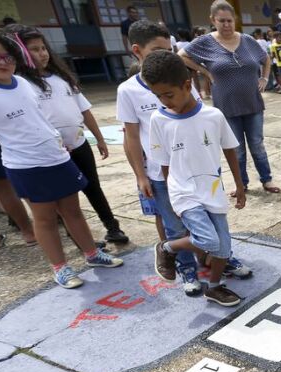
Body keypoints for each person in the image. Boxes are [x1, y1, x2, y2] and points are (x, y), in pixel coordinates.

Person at [0, 31, 122, 288]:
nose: (2, 61)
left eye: (6, 55)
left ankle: (92, 254)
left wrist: (55, 139)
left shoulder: (22, 83)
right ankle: (61, 268)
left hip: (57, 157)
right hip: (27, 166)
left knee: (73, 211)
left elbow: (40, 118)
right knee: (45, 219)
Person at [143, 50, 246, 307]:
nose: (164, 101)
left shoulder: (213, 115)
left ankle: (214, 287)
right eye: (158, 96)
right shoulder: (159, 120)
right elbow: (165, 165)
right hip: (184, 191)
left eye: (169, 94)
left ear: (187, 85)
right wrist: (171, 200)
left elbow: (230, 150)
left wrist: (240, 183)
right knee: (208, 240)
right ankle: (166, 248)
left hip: (212, 188)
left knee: (222, 247)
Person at [17, 25, 129, 244]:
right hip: (55, 152)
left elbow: (84, 109)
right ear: (22, 53)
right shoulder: (24, 85)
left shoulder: (62, 78)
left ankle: (112, 227)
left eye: (43, 48)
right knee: (67, 199)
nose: (42, 54)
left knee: (93, 187)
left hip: (79, 144)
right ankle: (80, 240)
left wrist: (98, 137)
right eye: (34, 49)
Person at [118, 19, 202, 294]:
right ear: (137, 51)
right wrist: (141, 176)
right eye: (157, 50)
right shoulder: (128, 90)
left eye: (169, 49)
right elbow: (131, 136)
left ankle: (217, 257)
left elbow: (199, 119)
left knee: (206, 217)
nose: (165, 56)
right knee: (174, 224)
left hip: (194, 168)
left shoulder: (183, 79)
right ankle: (187, 268)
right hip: (160, 173)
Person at [180, 0, 281, 195]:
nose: (226, 25)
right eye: (222, 21)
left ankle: (267, 180)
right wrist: (204, 71)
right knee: (237, 149)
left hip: (253, 103)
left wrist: (265, 78)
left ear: (235, 20)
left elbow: (265, 59)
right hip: (226, 106)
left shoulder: (247, 40)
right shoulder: (205, 42)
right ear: (213, 20)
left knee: (257, 145)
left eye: (229, 20)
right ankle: (241, 183)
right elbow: (181, 55)